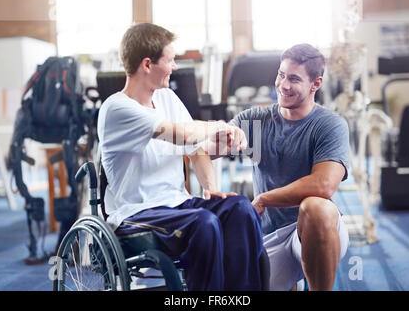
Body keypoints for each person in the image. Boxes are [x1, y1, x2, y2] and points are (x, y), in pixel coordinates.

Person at [97, 22, 264, 291]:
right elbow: (183, 135)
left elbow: (195, 149)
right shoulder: (116, 109)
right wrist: (221, 125)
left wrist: (212, 190)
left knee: (241, 210)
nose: (174, 67)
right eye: (171, 60)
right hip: (137, 212)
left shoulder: (166, 98)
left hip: (177, 204)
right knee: (204, 224)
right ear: (148, 65)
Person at [228, 43, 350, 291]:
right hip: (270, 234)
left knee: (316, 207)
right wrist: (192, 134)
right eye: (281, 75)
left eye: (294, 79)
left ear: (315, 84)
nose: (283, 85)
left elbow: (323, 185)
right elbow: (211, 145)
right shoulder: (255, 121)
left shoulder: (330, 124)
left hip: (318, 230)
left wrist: (263, 199)